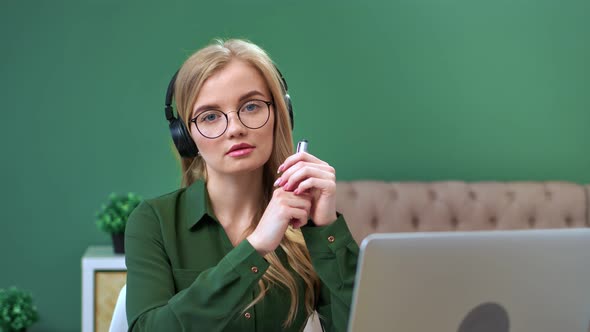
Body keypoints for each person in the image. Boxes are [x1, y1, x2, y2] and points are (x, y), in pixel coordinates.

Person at [125, 39, 359, 332]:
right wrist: (256, 246)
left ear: (279, 114)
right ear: (185, 136)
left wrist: (325, 229)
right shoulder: (153, 221)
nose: (236, 128)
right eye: (210, 116)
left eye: (251, 106)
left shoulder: (307, 222)